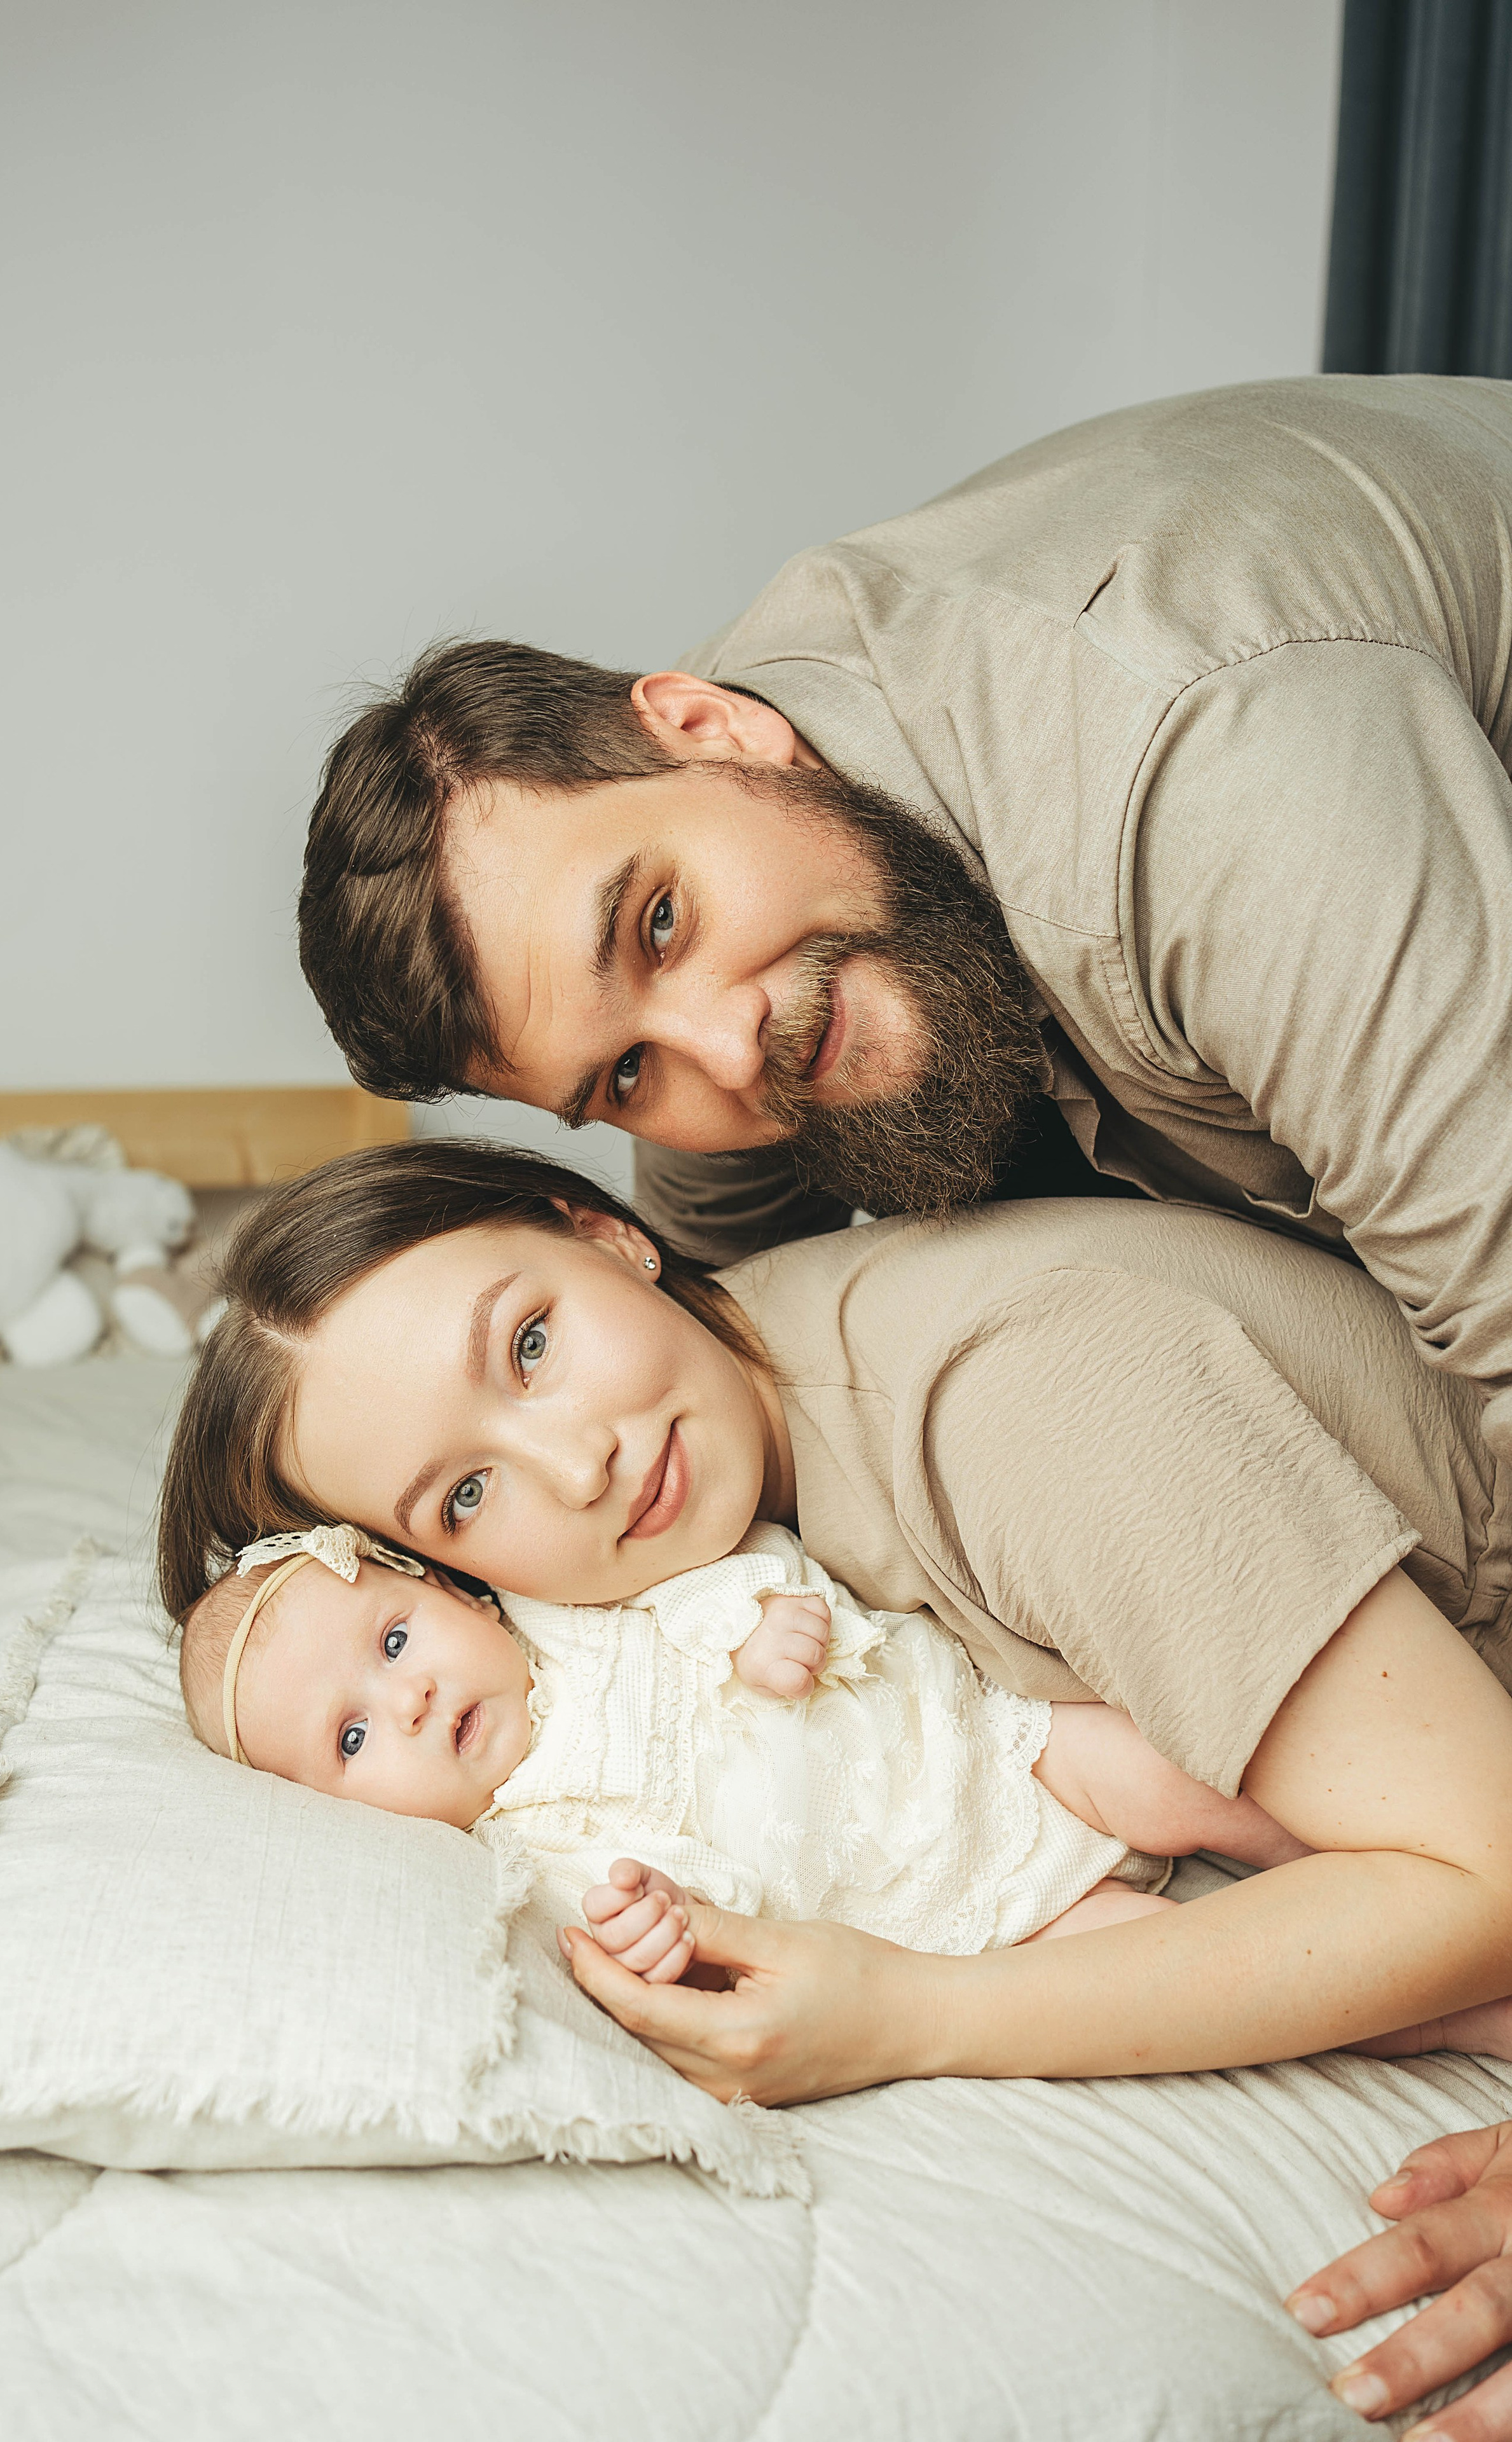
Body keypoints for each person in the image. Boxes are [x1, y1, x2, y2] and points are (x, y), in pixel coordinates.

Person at [298, 376, 1512, 1483]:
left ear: (712, 726)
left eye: (659, 925)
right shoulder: (698, 840)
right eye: (621, 1076)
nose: (724, 1050)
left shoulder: (1200, 769)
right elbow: (710, 1326)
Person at [157, 1138, 1512, 2087]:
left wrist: (909, 2015)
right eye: (461, 1496)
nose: (580, 1468)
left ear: (610, 1236)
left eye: (529, 1343)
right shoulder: (741, 1440)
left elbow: (1490, 1885)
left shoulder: (1004, 1403)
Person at [178, 1517, 1319, 1971]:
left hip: (994, 1745)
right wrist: (664, 1935)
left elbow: (723, 1562)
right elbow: (686, 1930)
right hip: (967, 1921)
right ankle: (1463, 2004)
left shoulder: (561, 1609)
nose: (412, 1699)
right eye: (355, 1735)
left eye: (392, 1638)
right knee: (1211, 1964)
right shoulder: (530, 1851)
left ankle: (1442, 1861)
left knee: (1198, 1784)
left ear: (448, 1593)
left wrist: (762, 1620)